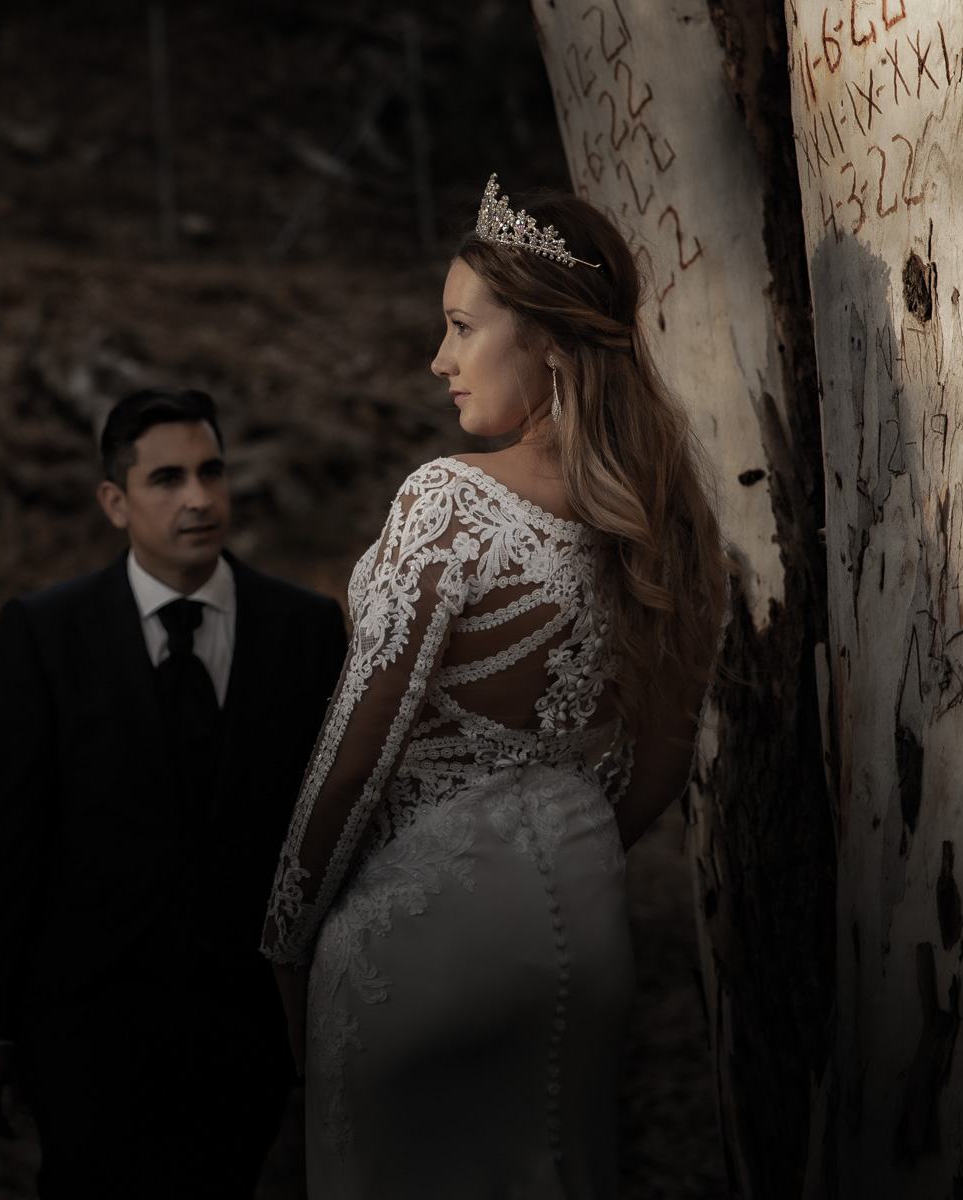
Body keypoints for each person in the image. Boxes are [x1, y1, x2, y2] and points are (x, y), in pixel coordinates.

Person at [260, 177, 730, 1198]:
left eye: (463, 327)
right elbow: (655, 768)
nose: (440, 360)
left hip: (419, 932)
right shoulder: (675, 522)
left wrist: (284, 941)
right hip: (580, 922)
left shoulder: (450, 503)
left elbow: (357, 749)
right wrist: (544, 836)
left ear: (551, 342)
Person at [0, 387, 348, 1198]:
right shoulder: (44, 632)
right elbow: (7, 839)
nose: (199, 499)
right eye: (167, 478)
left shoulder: (305, 629)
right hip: (87, 1017)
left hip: (247, 1020)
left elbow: (335, 824)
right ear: (115, 501)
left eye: (212, 472)